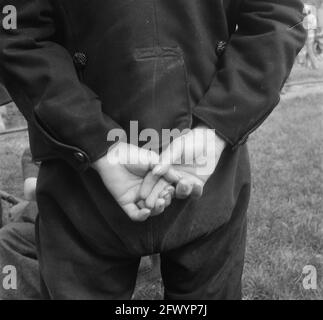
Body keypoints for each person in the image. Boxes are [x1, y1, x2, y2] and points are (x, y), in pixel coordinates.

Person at [0, 0, 306, 300]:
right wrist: (96, 143)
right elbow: (16, 29)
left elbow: (277, 14)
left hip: (202, 169)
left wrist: (216, 128)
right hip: (86, 179)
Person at [0, 148, 40, 300]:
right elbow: (32, 190)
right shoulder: (33, 152)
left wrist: (29, 208)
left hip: (82, 223)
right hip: (49, 220)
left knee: (6, 241)